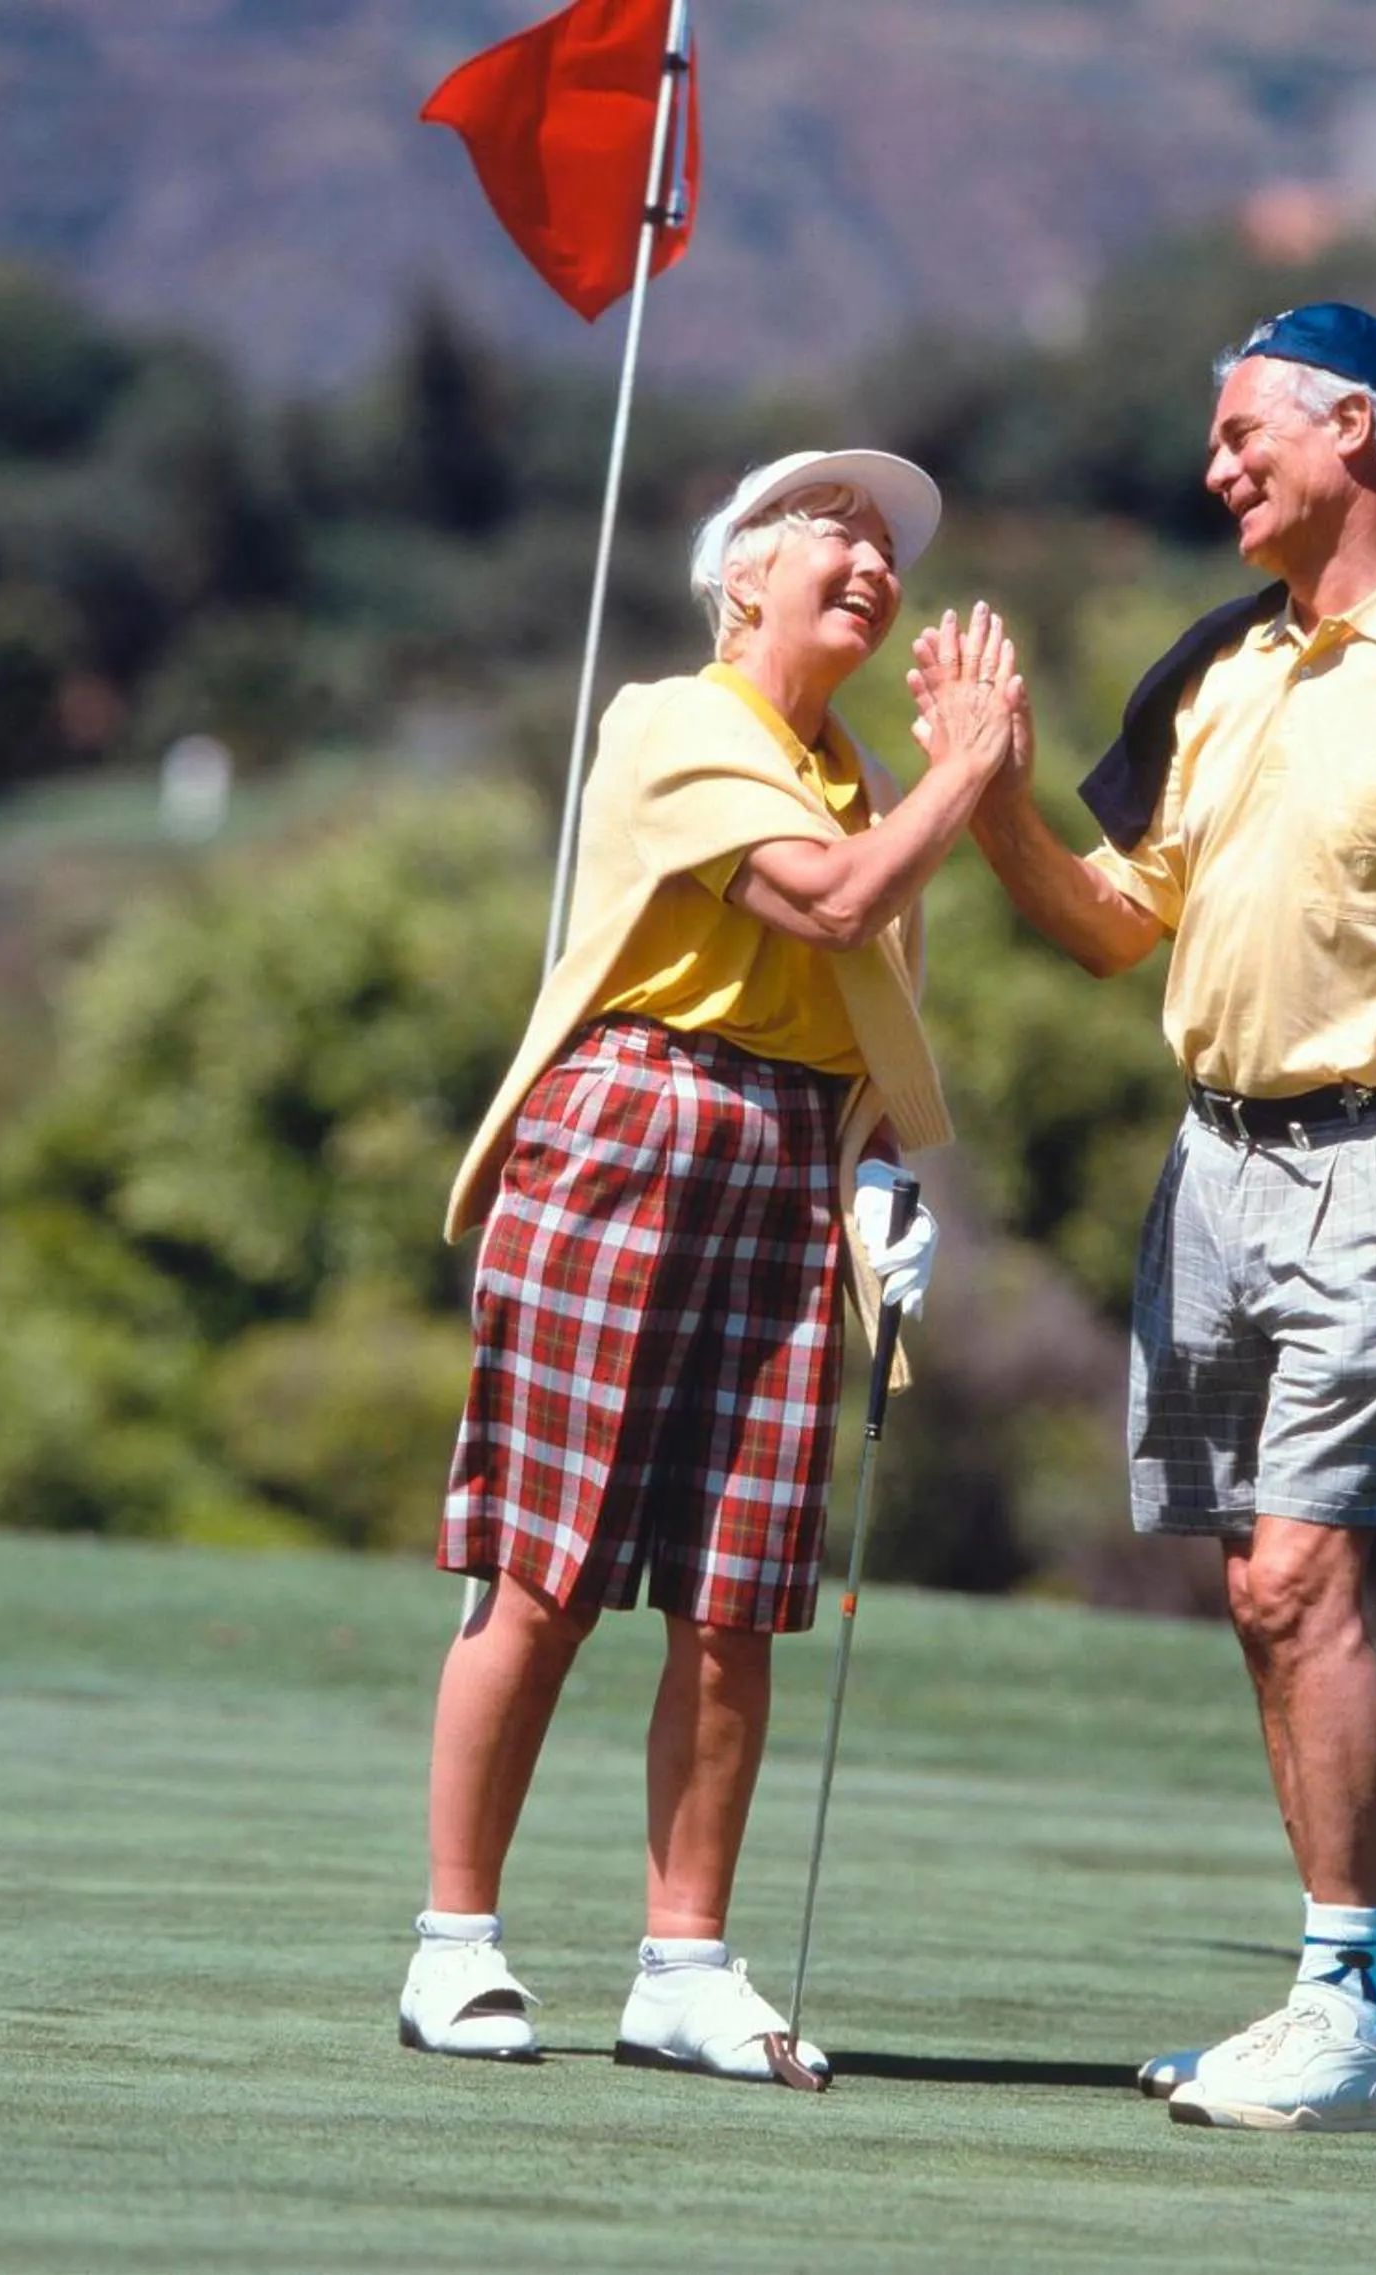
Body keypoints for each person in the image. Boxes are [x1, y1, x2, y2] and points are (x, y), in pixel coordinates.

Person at [934, 304, 1376, 2131]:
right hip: (1213, 1167)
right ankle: (1359, 1990)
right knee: (1253, 1590)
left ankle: (1342, 2006)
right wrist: (989, 800)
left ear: (1355, 432)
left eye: (1246, 434)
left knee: (1303, 1577)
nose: (1214, 466)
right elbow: (1108, 923)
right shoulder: (1216, 664)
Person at [401, 448, 1026, 2086]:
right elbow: (827, 906)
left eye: (888, 549)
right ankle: (453, 1942)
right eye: (837, 533)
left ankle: (682, 1963)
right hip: (631, 1127)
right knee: (545, 1570)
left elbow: (856, 1000)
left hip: (787, 1155)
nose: (873, 564)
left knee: (736, 1588)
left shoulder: (864, 774)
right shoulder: (674, 723)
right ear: (742, 574)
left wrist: (879, 1164)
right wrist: (969, 772)